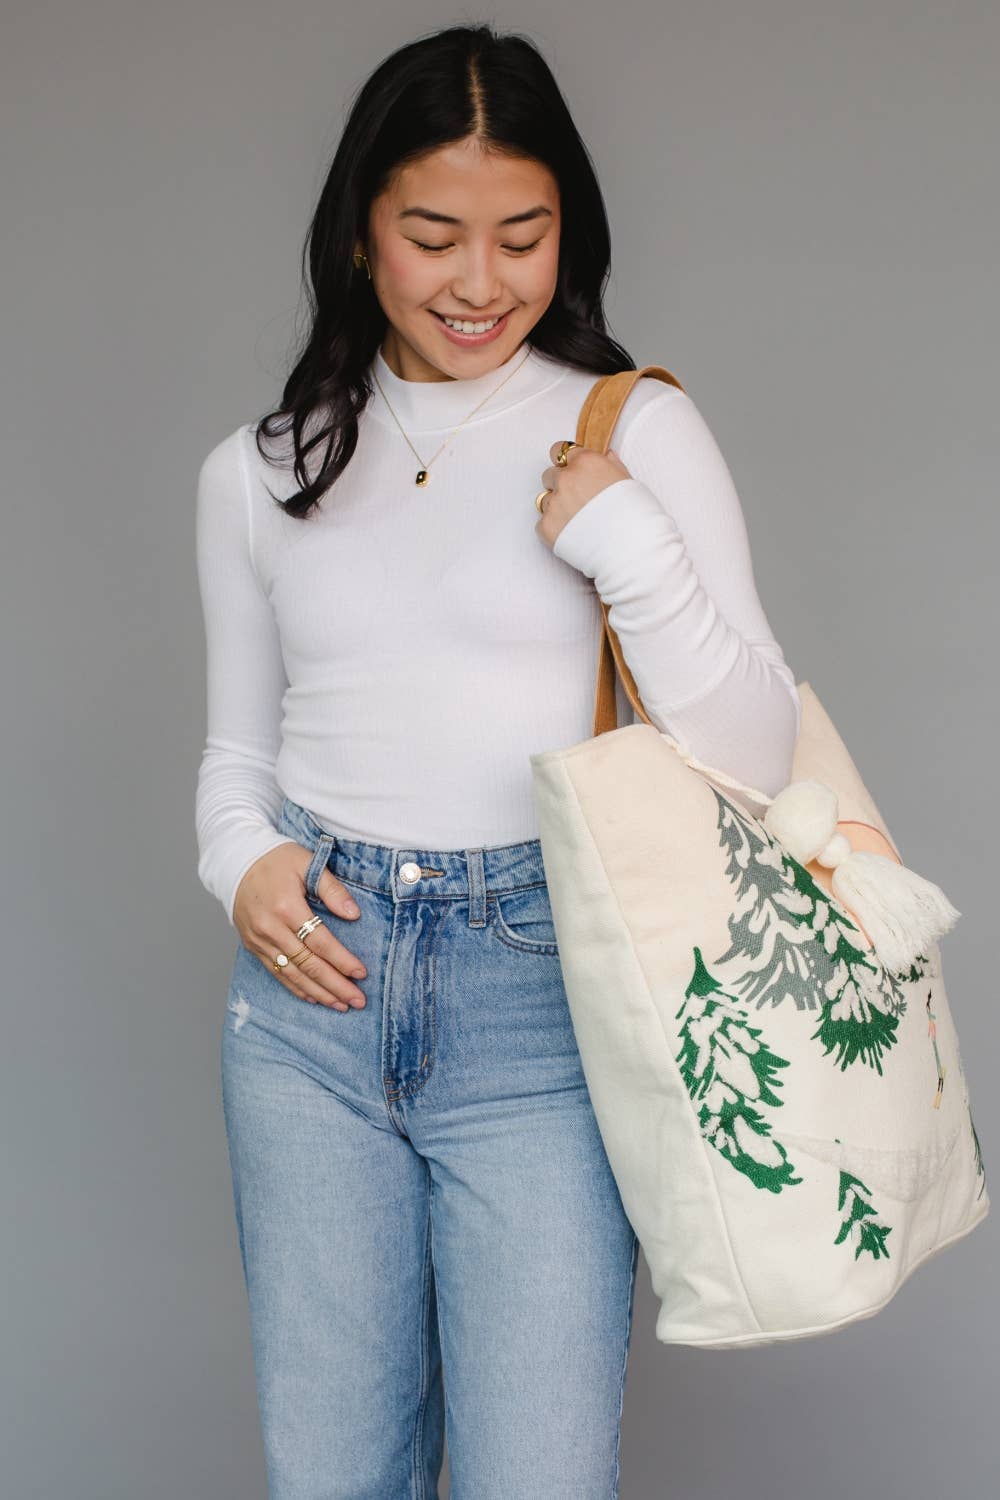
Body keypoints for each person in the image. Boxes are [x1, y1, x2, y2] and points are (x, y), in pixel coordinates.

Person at [194, 22, 800, 1500]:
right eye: (434, 237)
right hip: (311, 1011)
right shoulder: (258, 470)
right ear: (360, 235)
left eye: (522, 237)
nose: (481, 282)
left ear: (566, 232)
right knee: (333, 1479)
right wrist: (242, 862)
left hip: (542, 1000)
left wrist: (624, 537)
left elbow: (758, 746)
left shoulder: (634, 430)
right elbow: (234, 757)